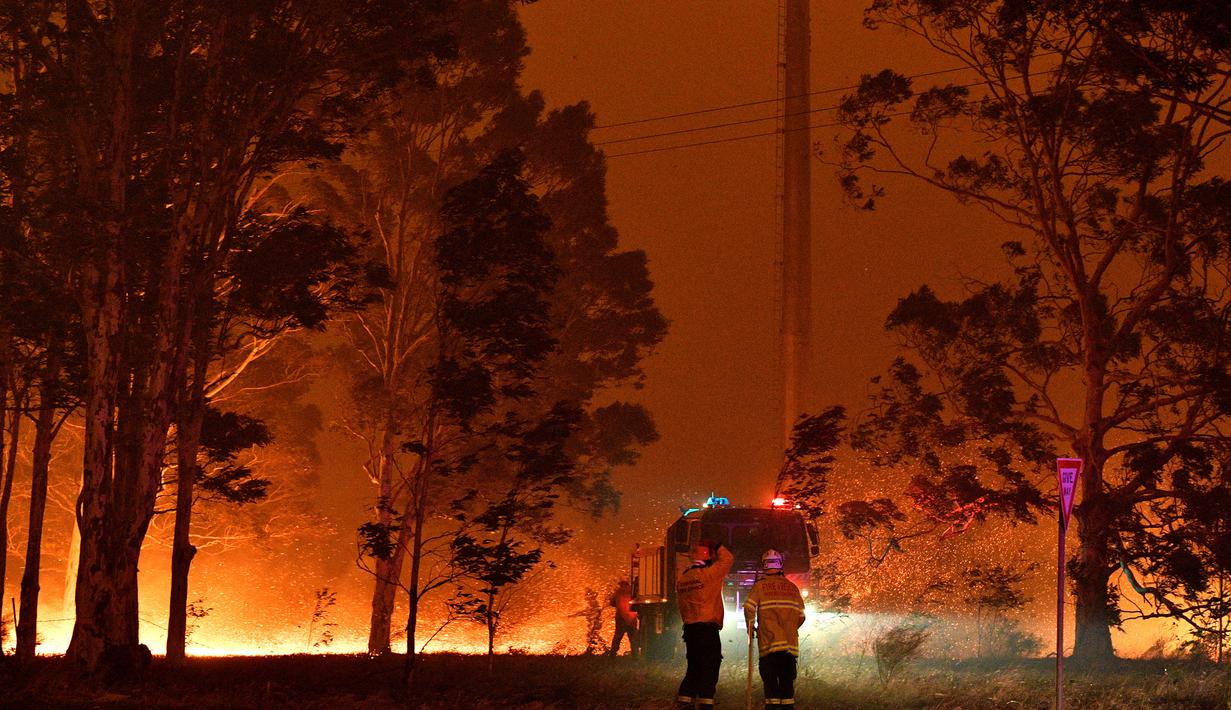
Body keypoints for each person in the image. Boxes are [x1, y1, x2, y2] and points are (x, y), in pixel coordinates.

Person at [675, 538, 734, 708]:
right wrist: (718, 545)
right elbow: (728, 559)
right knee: (710, 665)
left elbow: (682, 606)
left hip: (690, 629)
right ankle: (706, 703)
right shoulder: (709, 574)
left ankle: (684, 702)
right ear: (708, 557)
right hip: (707, 630)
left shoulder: (683, 578)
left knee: (694, 667)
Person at [742, 549, 806, 707]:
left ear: (764, 565)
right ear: (780, 565)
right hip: (789, 648)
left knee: (771, 689)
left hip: (769, 646)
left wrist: (751, 626)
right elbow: (801, 616)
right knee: (787, 689)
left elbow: (749, 607)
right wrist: (790, 629)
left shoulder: (760, 586)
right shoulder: (792, 587)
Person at [608, 575, 639, 656]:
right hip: (632, 618)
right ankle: (635, 655)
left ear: (621, 583)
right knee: (633, 638)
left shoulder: (618, 591)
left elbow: (612, 602)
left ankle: (612, 654)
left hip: (621, 618)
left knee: (617, 637)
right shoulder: (632, 591)